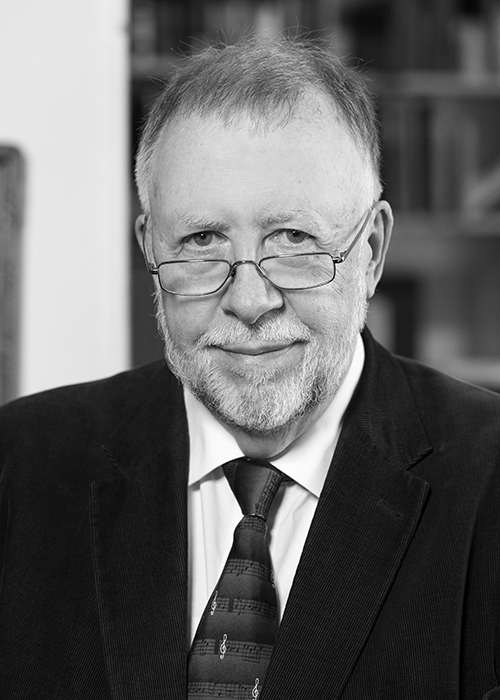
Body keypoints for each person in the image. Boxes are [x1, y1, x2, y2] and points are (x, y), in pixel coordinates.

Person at [1, 35, 500, 700]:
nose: (249, 301)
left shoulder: (488, 478)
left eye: (293, 239)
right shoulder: (21, 465)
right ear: (150, 250)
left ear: (372, 251)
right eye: (202, 240)